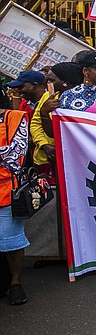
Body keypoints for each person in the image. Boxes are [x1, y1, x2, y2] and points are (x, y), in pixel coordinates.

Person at [1, 100, 31, 305]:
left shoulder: (15, 117)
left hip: (5, 190)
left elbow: (15, 157)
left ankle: (15, 283)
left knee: (11, 240)